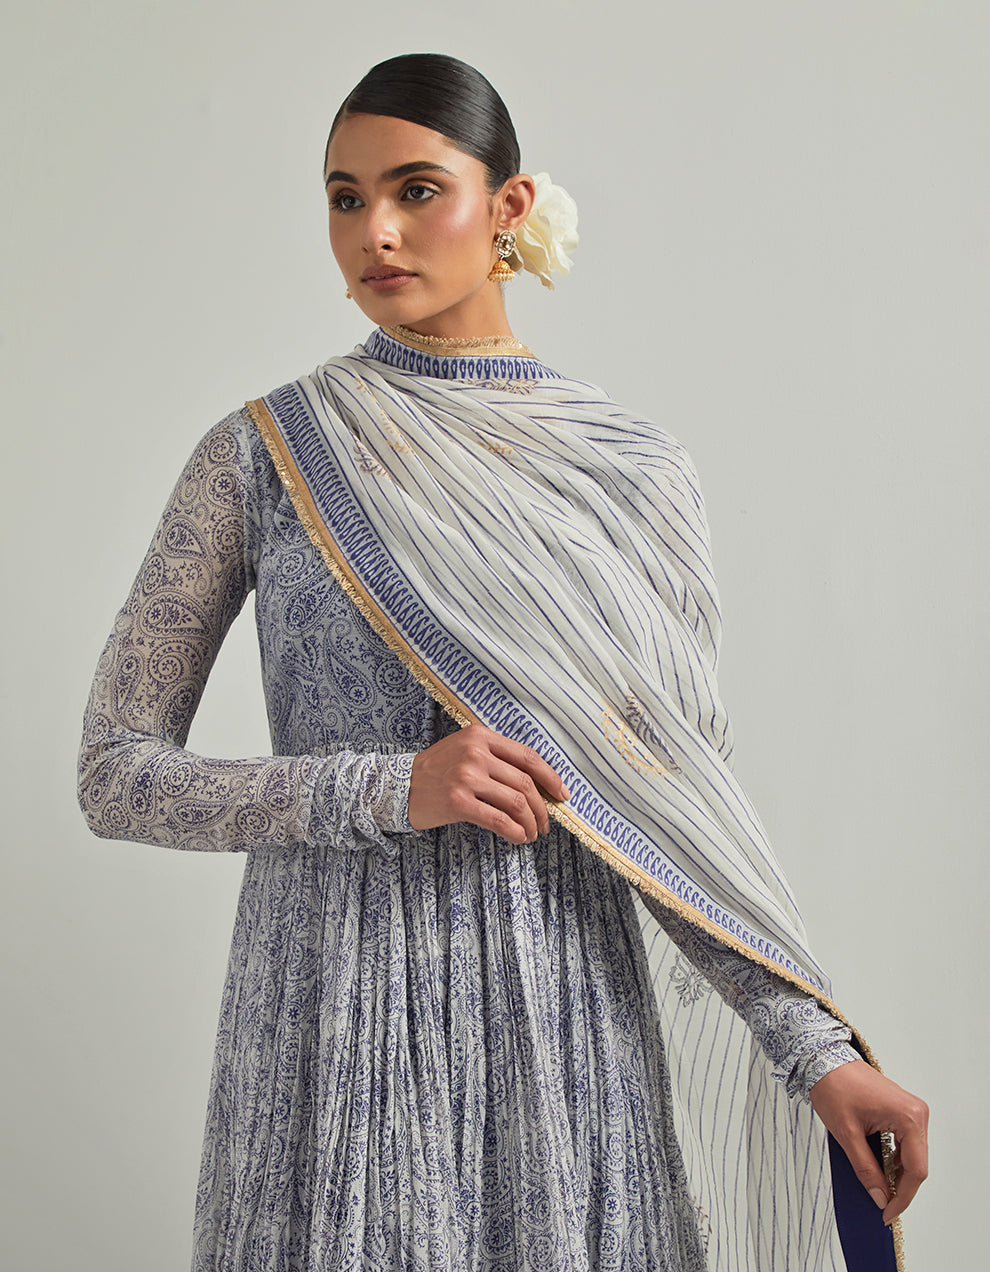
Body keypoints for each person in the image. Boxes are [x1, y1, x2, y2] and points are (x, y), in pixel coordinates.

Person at [78, 53, 927, 1272]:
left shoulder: (626, 472)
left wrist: (817, 1051)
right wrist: (387, 788)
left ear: (510, 206)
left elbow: (667, 810)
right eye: (344, 197)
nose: (375, 230)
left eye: (418, 190)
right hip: (331, 1023)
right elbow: (115, 774)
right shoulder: (264, 454)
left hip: (560, 1022)